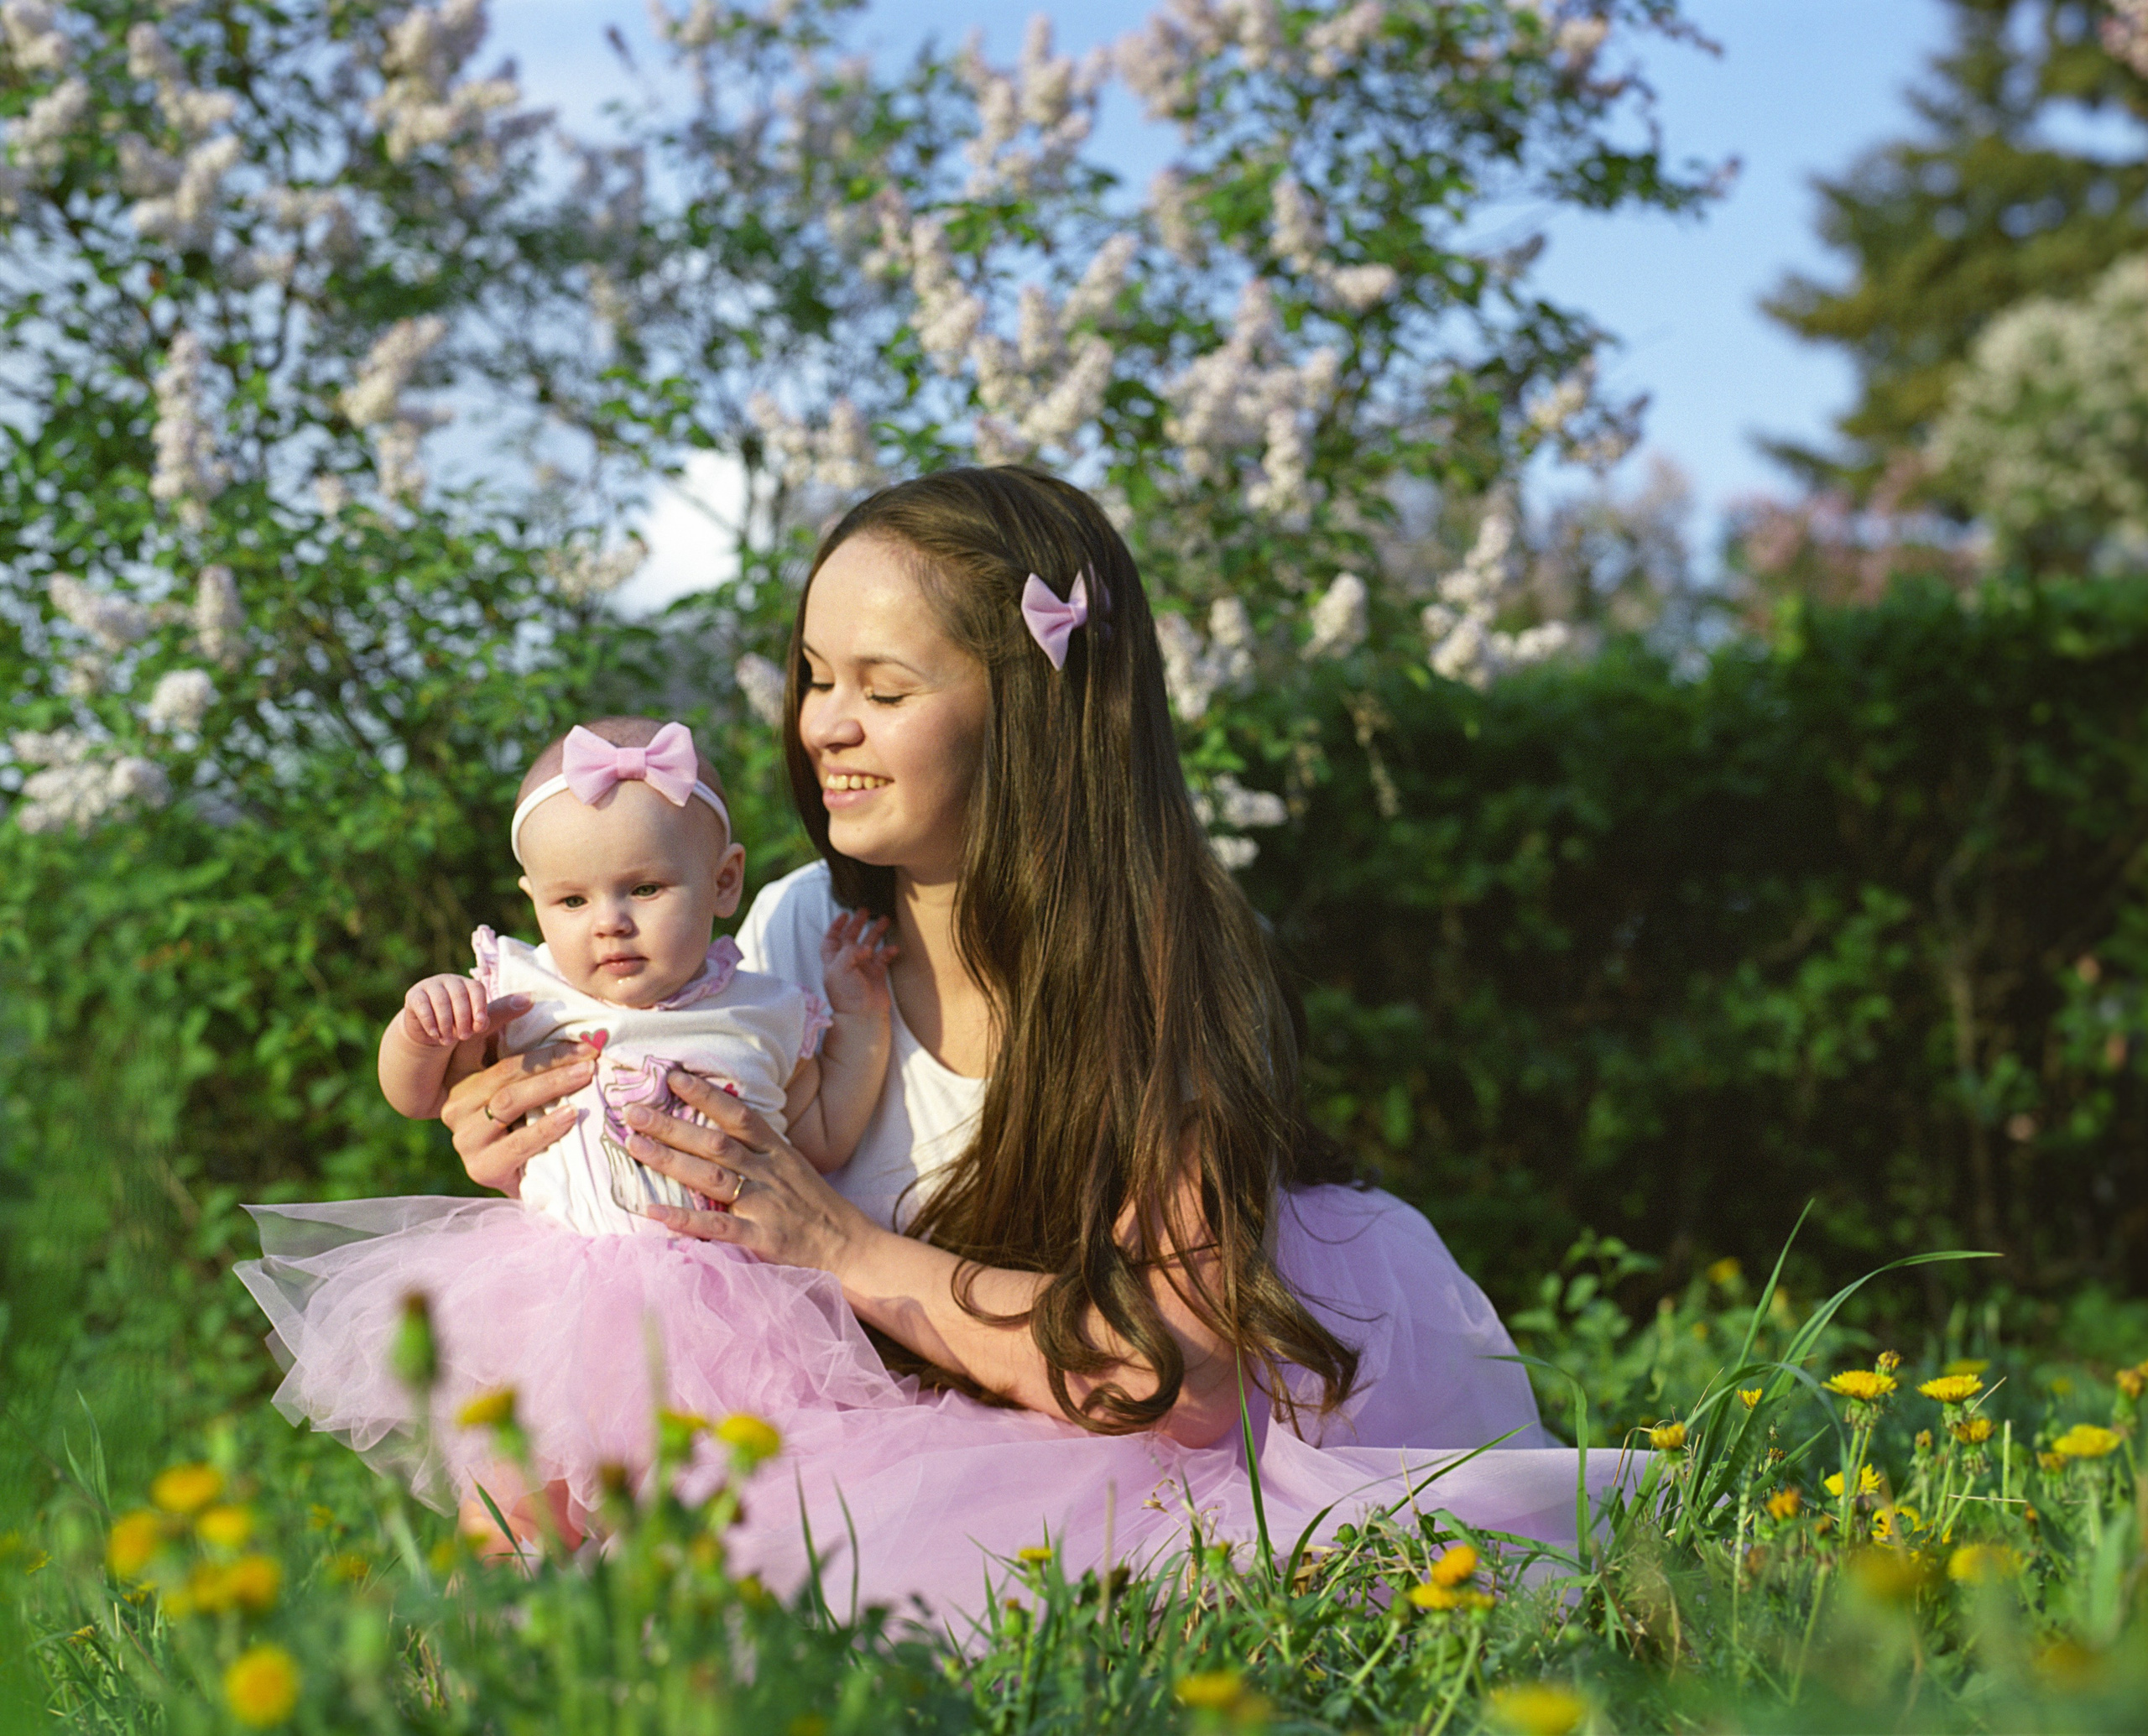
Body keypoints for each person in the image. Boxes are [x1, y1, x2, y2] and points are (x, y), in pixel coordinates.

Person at [437, 468, 1627, 1619]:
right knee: (529, 1545)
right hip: (856, 1426)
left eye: (884, 690)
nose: (824, 729)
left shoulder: (1161, 975)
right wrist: (555, 1151)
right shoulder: (801, 928)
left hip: (1117, 1447)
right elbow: (709, 1248)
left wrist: (837, 1242)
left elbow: (1176, 1378)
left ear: (1031, 705)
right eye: (813, 676)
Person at [237, 717, 905, 1546]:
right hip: (554, 1297)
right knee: (518, 1504)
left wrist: (862, 1016)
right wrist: (421, 1028)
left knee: (713, 1513)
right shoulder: (524, 990)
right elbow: (416, 1097)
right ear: (534, 903)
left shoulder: (765, 1013)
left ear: (724, 881)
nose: (609, 921)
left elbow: (826, 1136)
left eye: (646, 888)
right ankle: (486, 1652)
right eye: (572, 899)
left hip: (727, 1308)